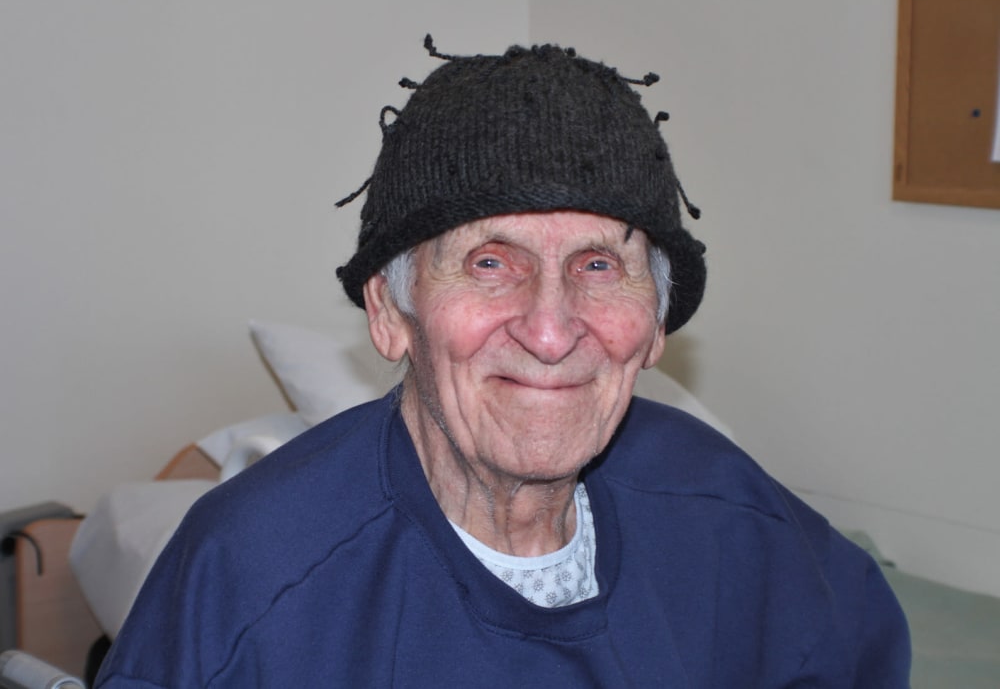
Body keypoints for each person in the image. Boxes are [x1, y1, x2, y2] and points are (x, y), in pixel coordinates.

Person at [95, 38, 910, 687]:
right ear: (390, 312)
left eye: (599, 266)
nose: (551, 332)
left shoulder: (728, 511)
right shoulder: (253, 575)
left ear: (655, 326)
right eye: (491, 263)